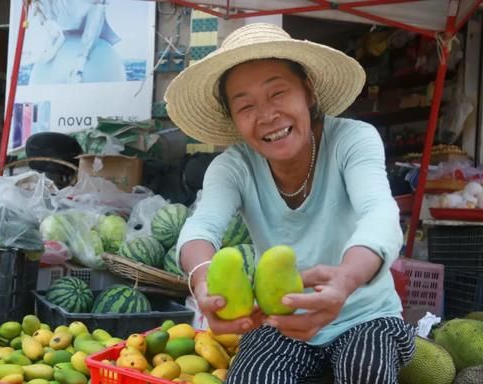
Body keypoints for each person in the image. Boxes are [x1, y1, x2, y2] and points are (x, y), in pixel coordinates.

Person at [164, 23, 415, 384]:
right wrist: (203, 285)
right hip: (282, 317)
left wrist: (344, 281)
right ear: (233, 119)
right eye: (245, 105)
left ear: (308, 91)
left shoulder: (352, 140)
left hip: (366, 314)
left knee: (366, 368)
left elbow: (380, 213)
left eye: (278, 93)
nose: (266, 115)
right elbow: (202, 227)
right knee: (253, 376)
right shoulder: (233, 167)